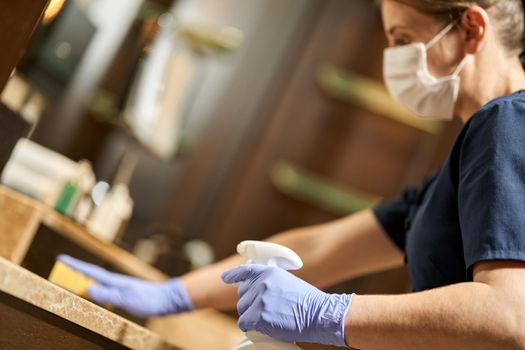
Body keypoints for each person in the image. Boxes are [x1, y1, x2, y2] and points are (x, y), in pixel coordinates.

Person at [60, 0, 525, 348]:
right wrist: (173, 294)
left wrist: (326, 312)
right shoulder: (471, 154)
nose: (393, 60)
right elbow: (316, 250)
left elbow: (510, 313)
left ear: (470, 27)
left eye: (403, 40)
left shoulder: (505, 123)